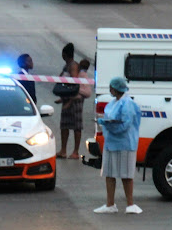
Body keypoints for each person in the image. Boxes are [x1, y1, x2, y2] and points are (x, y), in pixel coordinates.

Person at [94, 77, 143, 214]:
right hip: (111, 143)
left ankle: (130, 204)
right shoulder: (113, 103)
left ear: (115, 88)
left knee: (126, 175)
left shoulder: (127, 104)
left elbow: (126, 124)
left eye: (111, 87)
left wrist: (111, 127)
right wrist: (105, 123)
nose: (110, 90)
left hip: (125, 143)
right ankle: (110, 204)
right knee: (109, 173)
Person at [55, 42, 82, 159]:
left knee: (76, 126)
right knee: (64, 125)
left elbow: (75, 84)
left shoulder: (73, 66)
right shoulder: (66, 66)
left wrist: (70, 100)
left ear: (64, 54)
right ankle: (63, 150)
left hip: (75, 100)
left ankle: (75, 151)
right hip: (66, 99)